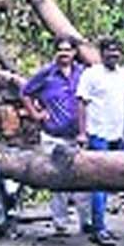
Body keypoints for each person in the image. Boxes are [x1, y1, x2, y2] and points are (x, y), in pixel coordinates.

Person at [74, 38, 124, 246]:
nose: (113, 54)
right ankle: (99, 229)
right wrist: (82, 133)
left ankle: (100, 224)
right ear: (101, 53)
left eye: (116, 51)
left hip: (116, 135)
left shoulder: (123, 75)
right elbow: (81, 104)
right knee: (99, 181)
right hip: (98, 134)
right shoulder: (91, 74)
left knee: (111, 181)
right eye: (109, 51)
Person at [22, 36, 88, 235]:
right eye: (60, 50)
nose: (64, 54)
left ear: (75, 53)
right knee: (57, 179)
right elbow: (25, 92)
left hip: (78, 136)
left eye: (68, 50)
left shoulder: (83, 74)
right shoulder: (46, 74)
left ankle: (87, 222)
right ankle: (60, 223)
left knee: (84, 178)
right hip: (53, 135)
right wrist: (35, 114)